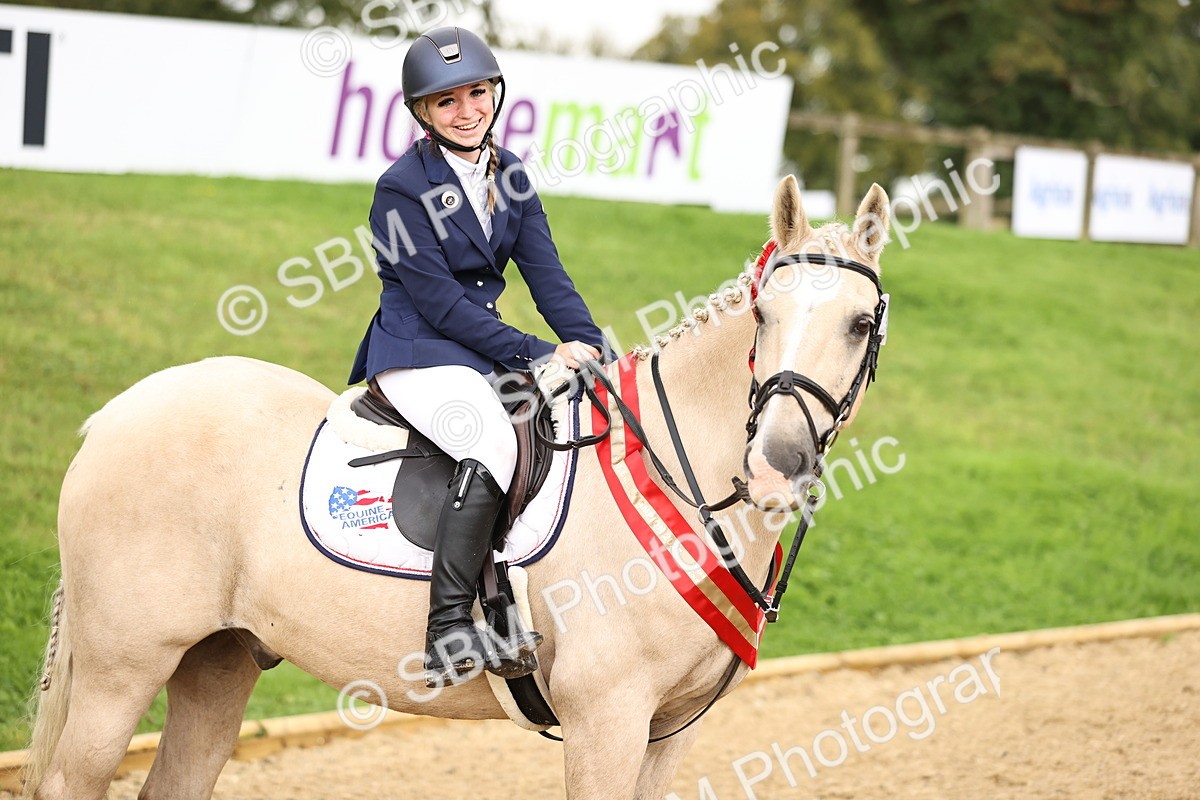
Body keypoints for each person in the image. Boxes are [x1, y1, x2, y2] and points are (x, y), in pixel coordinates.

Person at [348, 26, 609, 688]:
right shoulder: (400, 188)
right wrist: (539, 352)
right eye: (447, 101)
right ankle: (446, 630)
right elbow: (440, 304)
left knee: (558, 424)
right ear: (422, 112)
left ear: (496, 93)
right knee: (490, 436)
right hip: (418, 351)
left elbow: (548, 278)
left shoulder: (510, 174)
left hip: (477, 351)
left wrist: (598, 351)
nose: (467, 111)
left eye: (477, 93)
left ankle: (512, 594)